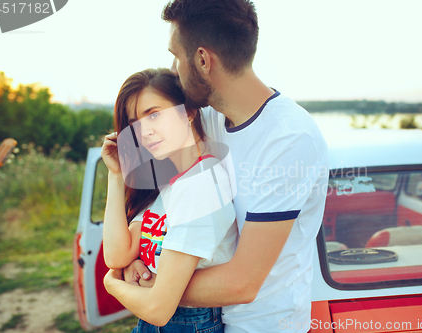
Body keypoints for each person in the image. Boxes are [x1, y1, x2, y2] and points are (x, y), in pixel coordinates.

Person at [110, 0, 330, 332]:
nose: (173, 69)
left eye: (176, 55)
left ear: (202, 59)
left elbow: (242, 283)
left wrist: (156, 283)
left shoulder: (289, 140)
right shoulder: (208, 117)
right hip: (213, 319)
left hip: (261, 325)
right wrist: (143, 261)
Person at [101, 68, 237, 332]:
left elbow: (158, 309)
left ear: (188, 111)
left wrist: (112, 284)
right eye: (133, 124)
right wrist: (116, 175)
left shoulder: (201, 185)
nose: (144, 131)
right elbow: (117, 255)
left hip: (187, 323)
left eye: (154, 115)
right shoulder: (170, 184)